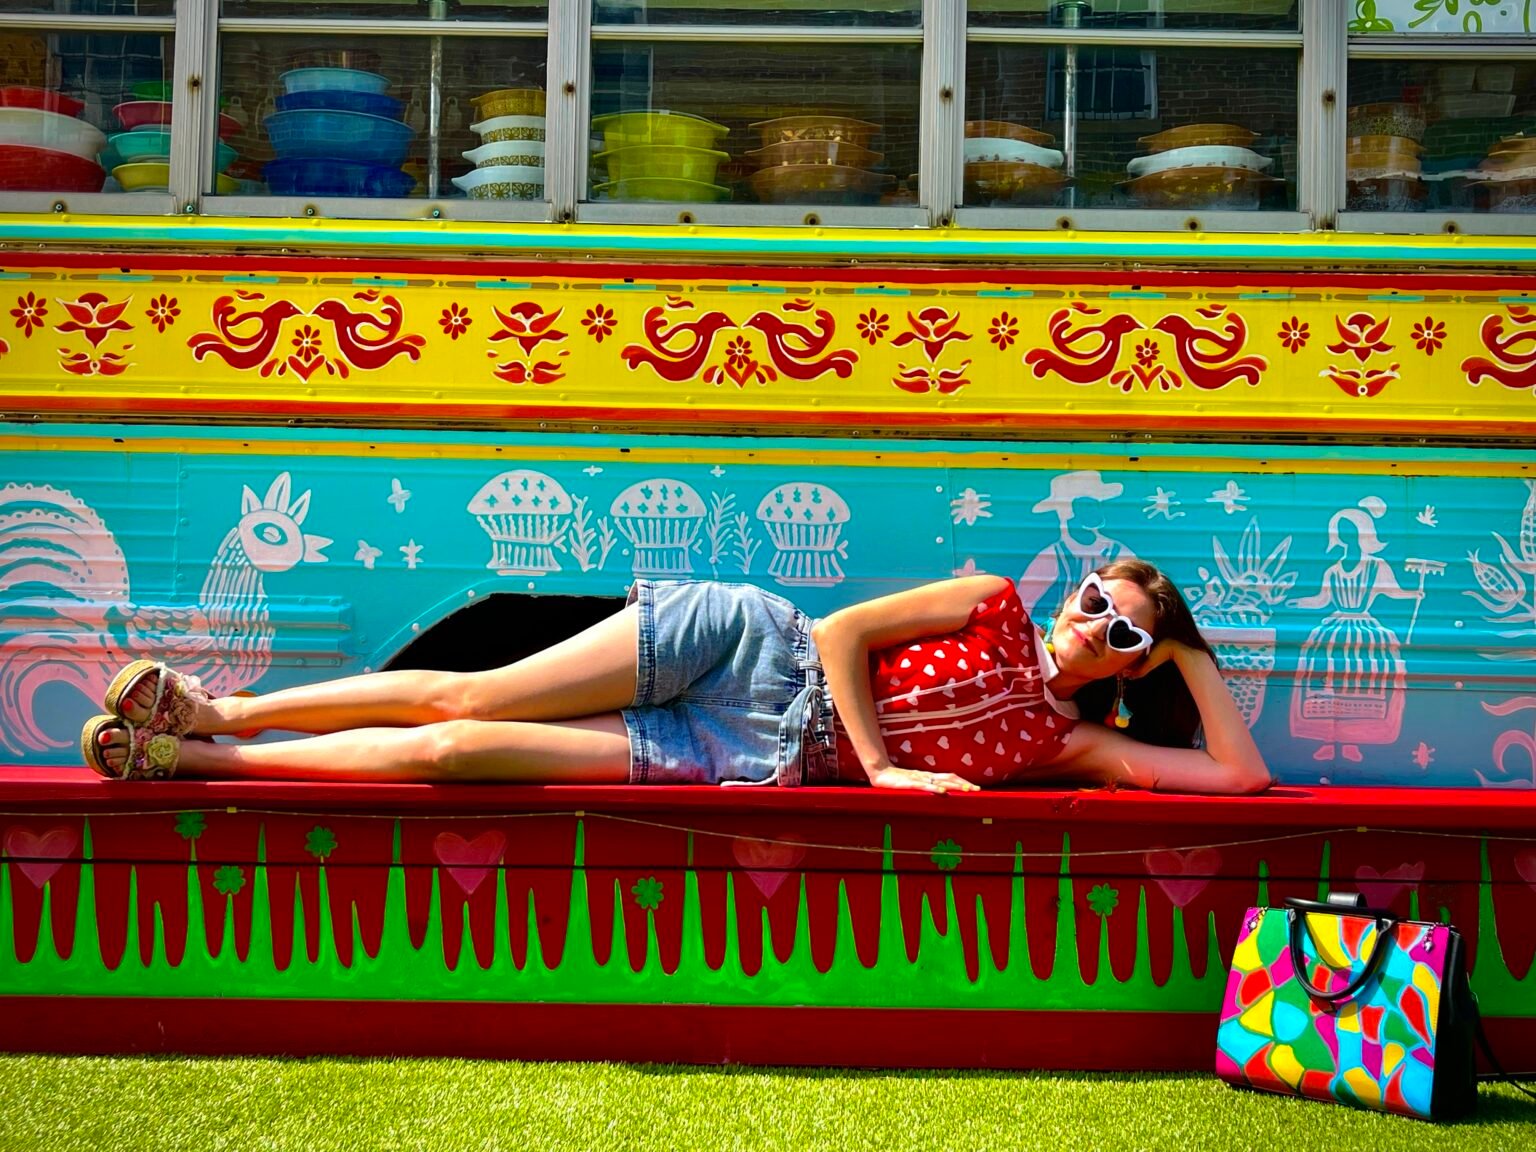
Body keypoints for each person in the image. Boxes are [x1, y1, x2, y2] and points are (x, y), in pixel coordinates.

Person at [81, 560, 1272, 795]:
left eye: (1121, 638)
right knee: (464, 693)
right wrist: (888, 771)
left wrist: (1189, 654)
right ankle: (220, 708)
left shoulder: (1073, 747)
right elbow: (847, 628)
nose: (1087, 631)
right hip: (746, 644)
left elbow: (1240, 774)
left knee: (457, 756)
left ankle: (192, 761)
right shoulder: (990, 598)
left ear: (1133, 670)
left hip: (749, 759)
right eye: (1093, 604)